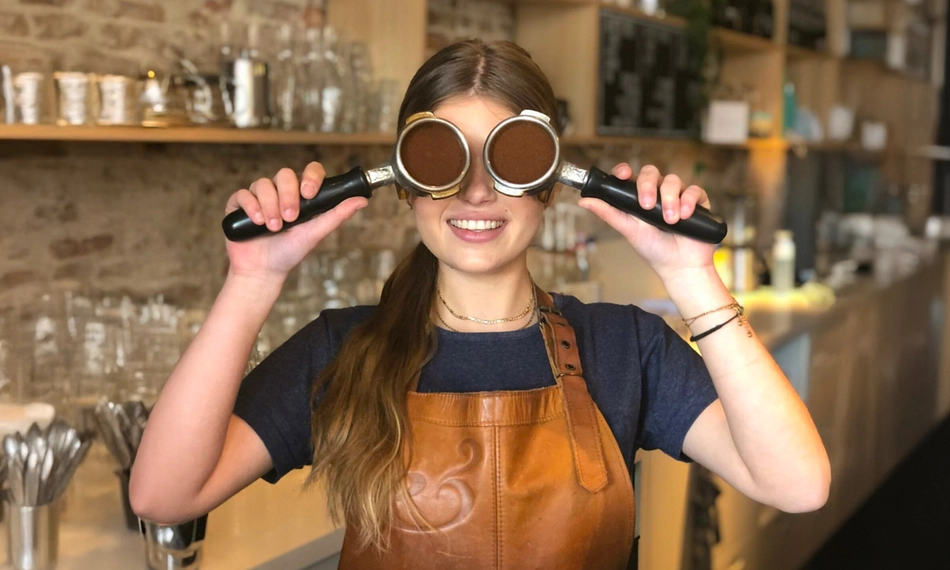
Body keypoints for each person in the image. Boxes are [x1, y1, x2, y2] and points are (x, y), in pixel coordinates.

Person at [130, 40, 830, 569]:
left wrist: (691, 274)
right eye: (444, 159)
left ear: (547, 181)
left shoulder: (623, 347)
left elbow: (797, 485)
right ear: (406, 181)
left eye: (507, 159)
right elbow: (162, 496)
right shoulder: (342, 351)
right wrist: (251, 280)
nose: (474, 191)